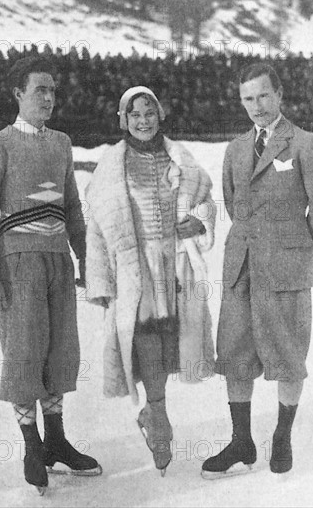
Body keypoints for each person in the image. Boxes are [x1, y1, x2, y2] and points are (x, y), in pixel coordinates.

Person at [0, 57, 102, 495]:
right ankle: (32, 444)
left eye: (53, 91)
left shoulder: (61, 143)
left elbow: (73, 211)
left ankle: (57, 440)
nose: (48, 98)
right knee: (24, 353)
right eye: (39, 89)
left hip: (57, 259)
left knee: (59, 350)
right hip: (17, 263)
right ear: (17, 95)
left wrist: (87, 262)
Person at [202, 63, 313, 478]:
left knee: (287, 353)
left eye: (263, 96)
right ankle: (241, 441)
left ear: (279, 95)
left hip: (287, 268)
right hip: (242, 266)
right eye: (248, 98)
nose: (257, 106)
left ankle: (282, 434)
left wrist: (299, 255)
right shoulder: (236, 148)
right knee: (235, 353)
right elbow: (234, 205)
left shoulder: (306, 145)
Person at [85, 86, 216, 475]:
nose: (143, 121)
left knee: (168, 341)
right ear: (123, 120)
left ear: (160, 116)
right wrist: (100, 284)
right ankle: (158, 418)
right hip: (133, 268)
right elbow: (97, 225)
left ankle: (154, 411)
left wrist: (201, 222)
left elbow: (206, 200)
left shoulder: (181, 158)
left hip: (173, 266)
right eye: (134, 114)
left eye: (149, 113)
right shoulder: (112, 163)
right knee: (145, 341)